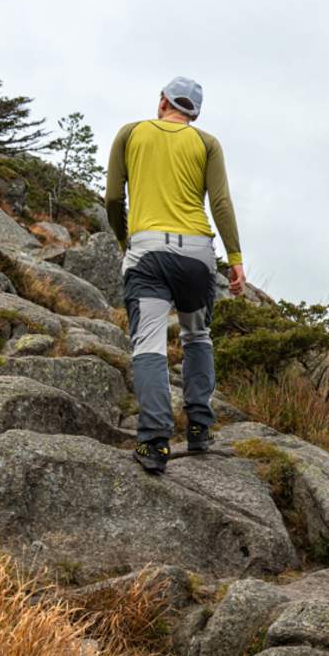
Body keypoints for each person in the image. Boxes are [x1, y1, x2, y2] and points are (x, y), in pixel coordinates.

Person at [104, 76, 247, 474]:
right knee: (197, 335)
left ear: (163, 101)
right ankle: (200, 427)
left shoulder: (130, 133)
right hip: (198, 255)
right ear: (194, 113)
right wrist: (234, 256)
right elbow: (219, 201)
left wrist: (125, 240)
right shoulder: (206, 143)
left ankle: (154, 443)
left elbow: (114, 198)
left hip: (147, 251)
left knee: (148, 344)